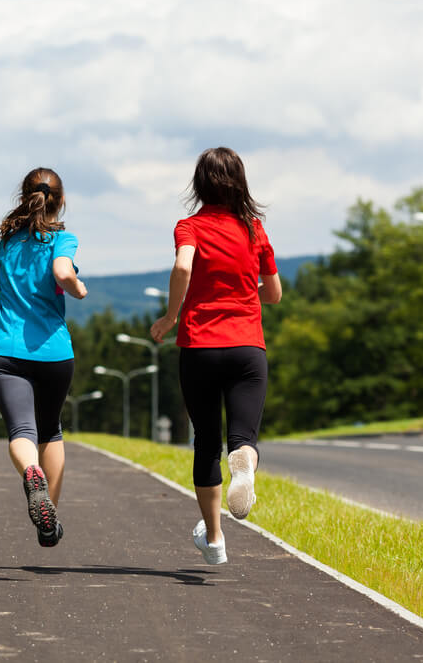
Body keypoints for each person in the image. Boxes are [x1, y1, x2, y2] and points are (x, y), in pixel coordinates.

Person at [150, 147, 281, 564]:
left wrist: (171, 315)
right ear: (240, 182)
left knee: (206, 443)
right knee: (243, 438)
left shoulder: (189, 226)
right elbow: (274, 293)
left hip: (200, 347)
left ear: (199, 184)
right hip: (247, 347)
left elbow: (183, 267)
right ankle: (244, 464)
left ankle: (216, 540)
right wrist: (244, 295)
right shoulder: (254, 229)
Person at [0, 167, 87, 547]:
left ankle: (32, 472)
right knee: (51, 430)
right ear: (60, 201)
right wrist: (77, 288)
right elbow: (63, 272)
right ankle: (50, 523)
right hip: (54, 352)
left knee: (22, 433)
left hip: (8, 351)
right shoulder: (63, 238)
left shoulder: (7, 243)